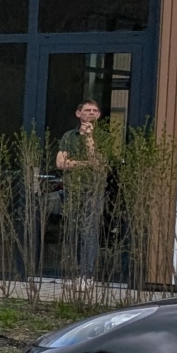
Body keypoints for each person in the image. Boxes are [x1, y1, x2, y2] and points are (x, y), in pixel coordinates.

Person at [55, 99, 108, 278]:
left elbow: (98, 164)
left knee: (90, 230)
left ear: (99, 115)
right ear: (79, 114)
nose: (91, 113)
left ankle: (87, 273)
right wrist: (86, 164)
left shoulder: (104, 137)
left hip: (93, 189)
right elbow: (61, 163)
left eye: (94, 110)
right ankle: (76, 268)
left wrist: (89, 139)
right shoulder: (68, 136)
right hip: (72, 188)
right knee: (74, 229)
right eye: (87, 110)